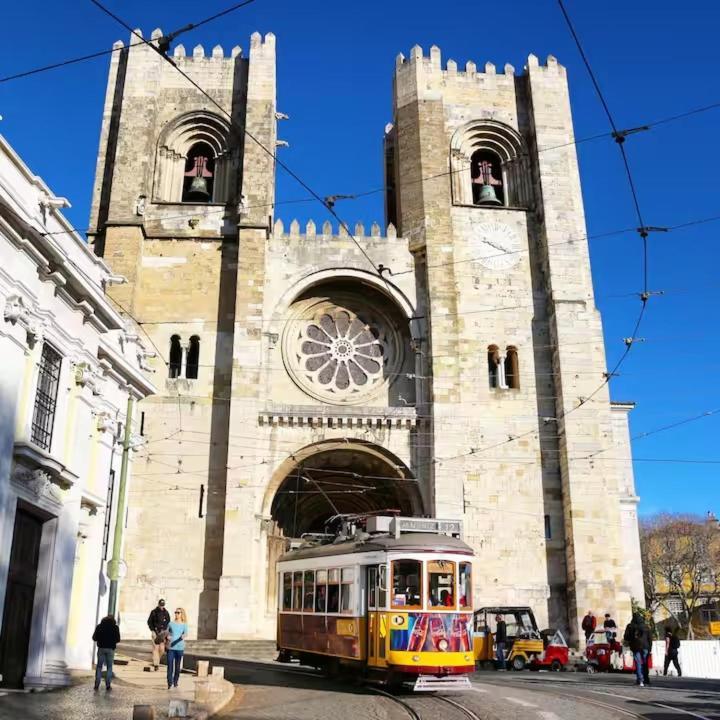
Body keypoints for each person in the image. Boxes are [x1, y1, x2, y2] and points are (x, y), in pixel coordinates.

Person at [92, 614, 121, 691]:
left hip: (101, 648)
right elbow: (118, 639)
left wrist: (100, 639)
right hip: (110, 649)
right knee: (109, 667)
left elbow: (94, 638)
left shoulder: (99, 626)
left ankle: (96, 684)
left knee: (99, 667)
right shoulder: (115, 627)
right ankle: (108, 685)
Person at [623, 612, 651, 687]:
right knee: (645, 663)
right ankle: (646, 680)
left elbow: (626, 637)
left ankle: (640, 680)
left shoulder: (630, 626)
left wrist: (631, 639)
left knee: (638, 663)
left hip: (635, 647)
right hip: (645, 646)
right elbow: (649, 638)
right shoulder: (645, 626)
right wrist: (650, 648)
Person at [166, 607, 188, 689]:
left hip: (179, 648)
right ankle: (169, 682)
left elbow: (186, 633)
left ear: (182, 614)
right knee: (170, 665)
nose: (176, 614)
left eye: (178, 612)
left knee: (177, 667)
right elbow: (167, 633)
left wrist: (183, 636)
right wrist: (167, 636)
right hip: (170, 648)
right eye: (175, 612)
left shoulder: (184, 624)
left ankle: (175, 682)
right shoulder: (170, 624)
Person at [147, 598, 170, 671]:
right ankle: (156, 664)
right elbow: (149, 622)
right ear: (158, 604)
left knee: (162, 649)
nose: (161, 607)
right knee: (155, 648)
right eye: (160, 605)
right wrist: (152, 630)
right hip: (155, 631)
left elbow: (168, 622)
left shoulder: (166, 612)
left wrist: (166, 631)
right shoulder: (154, 612)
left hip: (162, 633)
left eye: (162, 605)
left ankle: (157, 659)